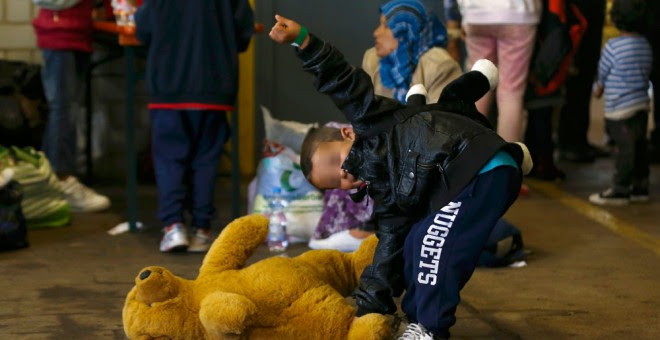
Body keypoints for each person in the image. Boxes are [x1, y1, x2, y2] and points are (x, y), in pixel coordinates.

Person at [269, 15, 532, 339]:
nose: (344, 174)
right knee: (411, 244)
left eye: (336, 159)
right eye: (337, 182)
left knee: (433, 245)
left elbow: (341, 81)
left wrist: (304, 41)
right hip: (464, 183)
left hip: (478, 166)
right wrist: (364, 314)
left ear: (349, 132)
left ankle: (429, 329)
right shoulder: (388, 199)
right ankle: (415, 322)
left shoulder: (373, 121)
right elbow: (386, 256)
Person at [311, 0, 462, 252]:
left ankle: (368, 230)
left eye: (386, 27)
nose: (376, 33)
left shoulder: (439, 64)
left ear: (407, 31)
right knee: (340, 144)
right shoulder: (374, 59)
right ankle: (355, 227)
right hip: (388, 141)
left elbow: (444, 126)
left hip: (426, 152)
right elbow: (365, 112)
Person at [135, 0, 254, 252]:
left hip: (169, 87)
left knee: (170, 158)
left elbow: (143, 30)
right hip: (215, 87)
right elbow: (243, 33)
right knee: (207, 158)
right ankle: (203, 229)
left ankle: (173, 226)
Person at [32, 0, 111, 212]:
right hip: (59, 36)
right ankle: (62, 179)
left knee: (67, 109)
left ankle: (51, 181)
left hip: (77, 34)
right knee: (63, 109)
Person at [444, 0, 541, 143]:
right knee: (511, 92)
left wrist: (454, 21)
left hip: (475, 14)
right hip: (517, 13)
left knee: (476, 87)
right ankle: (508, 158)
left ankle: (469, 152)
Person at [588, 0, 652, 206]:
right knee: (639, 147)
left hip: (619, 110)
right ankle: (640, 187)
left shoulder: (612, 47)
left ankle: (620, 189)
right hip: (641, 106)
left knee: (625, 150)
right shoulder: (646, 46)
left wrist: (597, 89)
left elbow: (602, 74)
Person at [556, 0, 608, 162]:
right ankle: (570, 143)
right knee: (576, 82)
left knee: (584, 80)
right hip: (578, 23)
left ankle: (579, 140)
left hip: (587, 22)